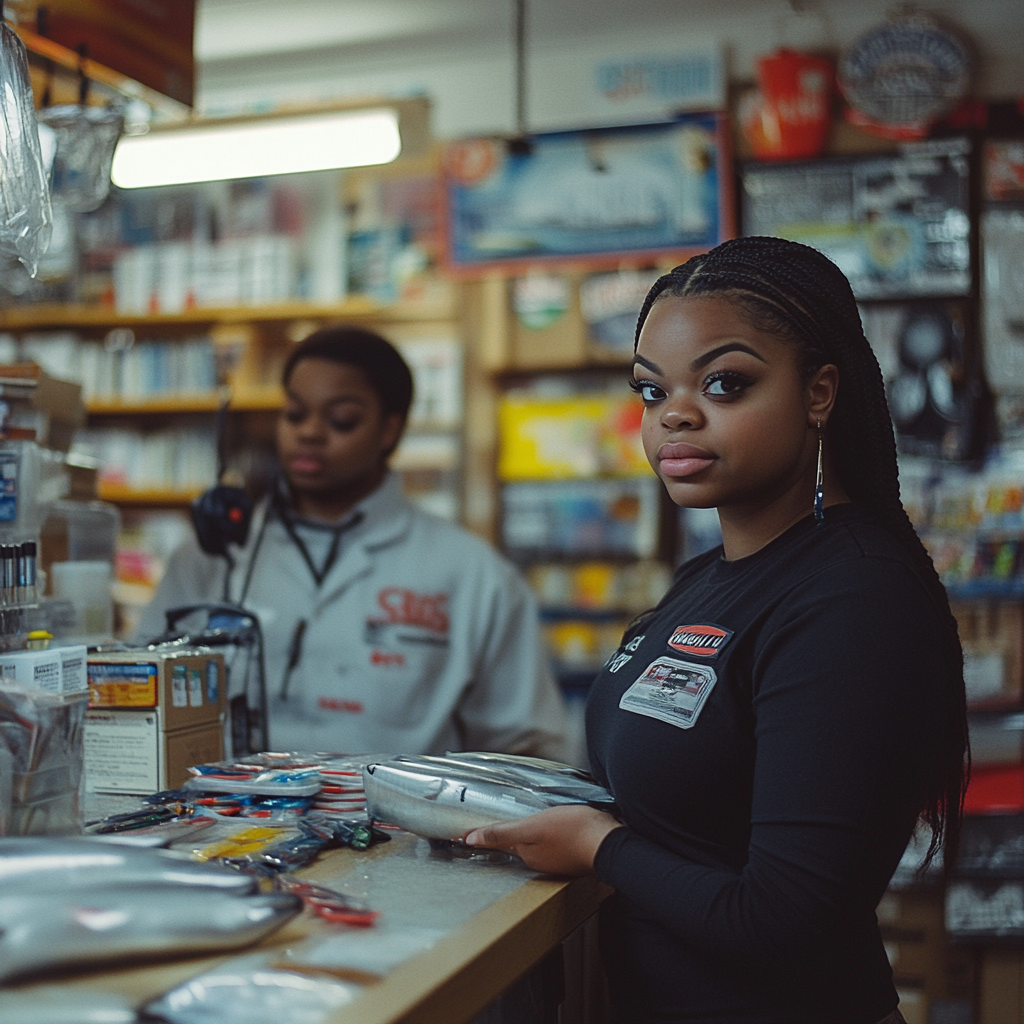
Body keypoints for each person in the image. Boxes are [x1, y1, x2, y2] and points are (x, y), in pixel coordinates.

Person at [464, 237, 968, 1024]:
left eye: (725, 383)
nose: (676, 414)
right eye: (651, 390)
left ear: (819, 393)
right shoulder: (705, 582)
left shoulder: (853, 596)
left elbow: (783, 916)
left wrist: (601, 847)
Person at [138, 326, 566, 759]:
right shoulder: (212, 557)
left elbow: (527, 749)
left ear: (389, 431)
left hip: (400, 826)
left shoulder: (475, 575)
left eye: (340, 419)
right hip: (222, 819)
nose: (309, 433)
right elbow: (143, 695)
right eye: (294, 413)